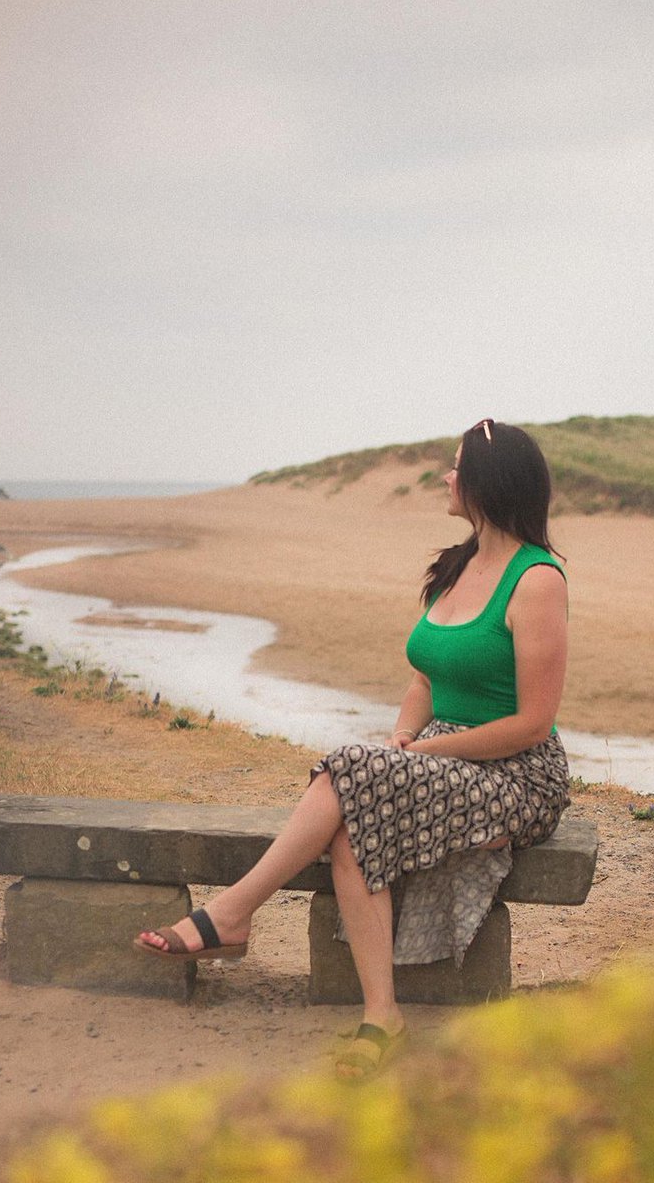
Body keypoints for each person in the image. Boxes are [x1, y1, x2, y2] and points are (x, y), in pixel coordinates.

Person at [135, 418, 570, 1080]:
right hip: (442, 757)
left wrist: (421, 756)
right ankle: (380, 1016)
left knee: (350, 771)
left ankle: (230, 913)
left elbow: (532, 726)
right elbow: (426, 675)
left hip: (514, 778)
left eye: (455, 467)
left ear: (486, 482)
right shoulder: (456, 566)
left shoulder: (537, 580)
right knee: (351, 818)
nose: (445, 479)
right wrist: (403, 735)